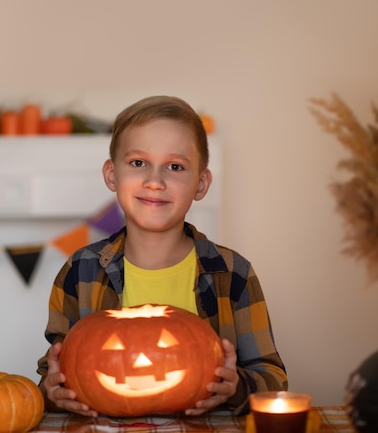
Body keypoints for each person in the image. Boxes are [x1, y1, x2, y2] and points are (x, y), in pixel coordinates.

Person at [36, 95, 287, 416]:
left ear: (201, 183)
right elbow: (54, 372)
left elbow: (274, 381)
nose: (155, 181)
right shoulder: (80, 270)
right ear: (112, 174)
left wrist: (235, 387)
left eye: (175, 166)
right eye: (138, 163)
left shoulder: (233, 273)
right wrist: (52, 391)